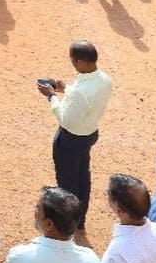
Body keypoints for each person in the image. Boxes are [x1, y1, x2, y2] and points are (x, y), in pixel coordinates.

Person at [37, 40, 113, 234]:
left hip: (70, 139)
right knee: (83, 176)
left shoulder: (80, 92)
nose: (72, 63)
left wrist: (51, 95)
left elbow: (66, 119)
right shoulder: (104, 79)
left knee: (67, 181)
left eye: (73, 60)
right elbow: (83, 99)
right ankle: (80, 220)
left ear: (81, 62)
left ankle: (66, 222)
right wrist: (67, 90)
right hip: (89, 134)